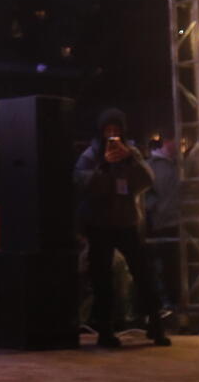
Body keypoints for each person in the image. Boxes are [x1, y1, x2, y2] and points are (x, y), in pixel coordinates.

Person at [73, 109, 170, 348]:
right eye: (108, 130)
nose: (112, 135)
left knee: (143, 274)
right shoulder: (91, 155)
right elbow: (81, 183)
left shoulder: (132, 153)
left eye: (116, 130)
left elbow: (147, 180)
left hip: (127, 223)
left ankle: (155, 324)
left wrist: (129, 160)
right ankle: (105, 330)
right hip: (99, 224)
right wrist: (104, 167)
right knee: (102, 279)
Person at [143, 134, 182, 311]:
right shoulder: (154, 166)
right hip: (163, 220)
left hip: (175, 219)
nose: (180, 146)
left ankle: (174, 299)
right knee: (166, 263)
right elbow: (146, 192)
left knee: (173, 263)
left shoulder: (176, 164)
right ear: (167, 142)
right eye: (177, 141)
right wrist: (155, 208)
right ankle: (167, 300)